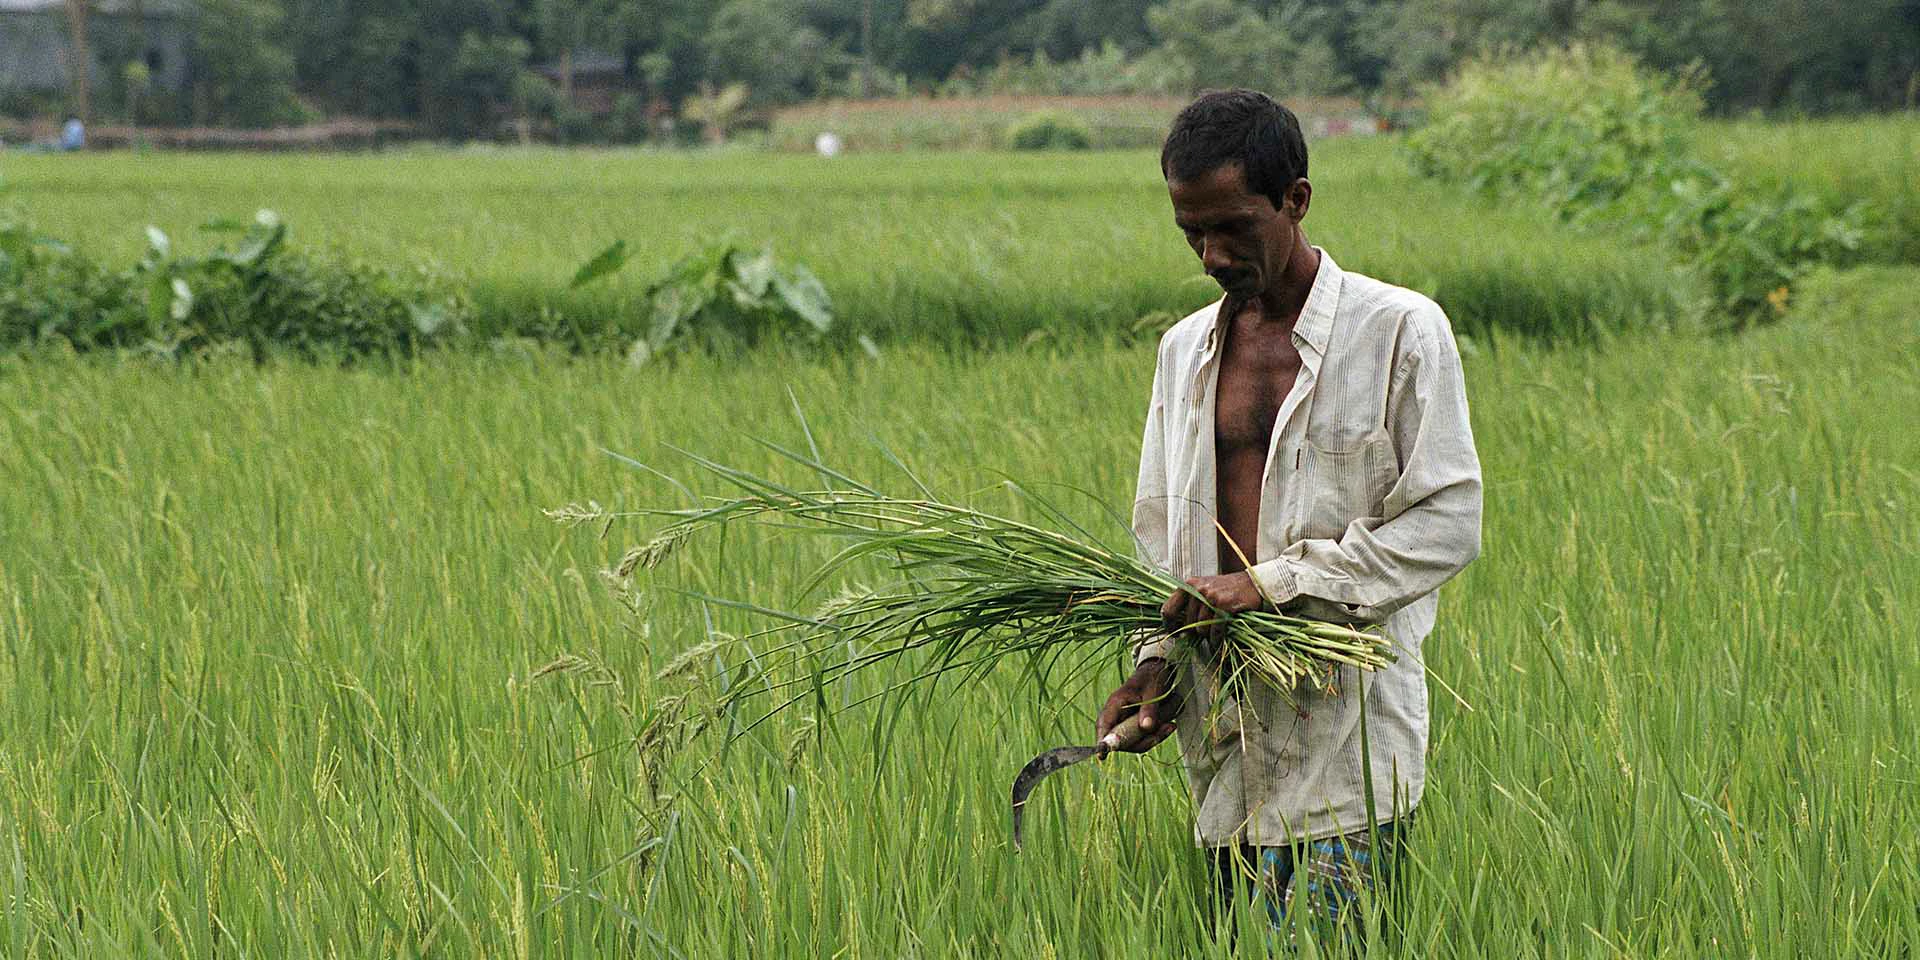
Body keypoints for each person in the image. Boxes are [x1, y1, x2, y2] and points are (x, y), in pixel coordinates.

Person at [1094, 89, 1483, 936]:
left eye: (1232, 227)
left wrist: (1270, 585)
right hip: (1225, 743)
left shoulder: (1401, 332)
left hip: (1347, 742)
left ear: (1296, 199)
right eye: (1192, 232)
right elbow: (1162, 537)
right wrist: (1157, 661)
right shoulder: (1183, 354)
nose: (1209, 254)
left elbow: (1447, 522)